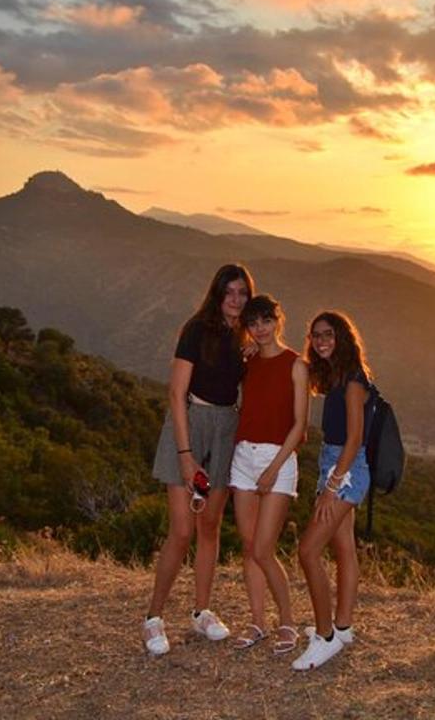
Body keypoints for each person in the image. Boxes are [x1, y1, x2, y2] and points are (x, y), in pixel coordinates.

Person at [143, 263, 254, 656]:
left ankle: (201, 611)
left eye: (242, 293)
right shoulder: (195, 329)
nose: (236, 300)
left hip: (226, 429)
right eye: (230, 292)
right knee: (182, 530)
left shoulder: (245, 336)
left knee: (209, 527)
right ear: (217, 293)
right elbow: (176, 393)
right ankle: (153, 618)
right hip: (189, 426)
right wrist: (186, 456)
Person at [228, 294, 309, 655]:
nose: (260, 329)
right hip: (243, 456)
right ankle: (258, 622)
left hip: (279, 461)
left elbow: (300, 425)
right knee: (249, 548)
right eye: (253, 323)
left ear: (278, 320)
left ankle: (288, 623)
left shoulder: (296, 364)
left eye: (265, 321)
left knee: (264, 548)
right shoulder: (247, 363)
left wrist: (273, 469)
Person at [292, 310, 372, 671]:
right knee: (344, 549)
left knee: (308, 551)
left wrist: (331, 487)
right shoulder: (337, 377)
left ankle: (324, 638)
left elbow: (354, 439)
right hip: (334, 462)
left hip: (347, 469)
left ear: (342, 337)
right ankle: (342, 628)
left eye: (328, 334)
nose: (321, 341)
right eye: (315, 336)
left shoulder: (354, 381)